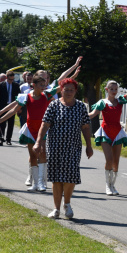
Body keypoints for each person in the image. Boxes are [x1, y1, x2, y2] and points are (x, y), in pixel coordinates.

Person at [0, 58, 81, 191]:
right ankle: (34, 183)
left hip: (43, 128)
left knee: (43, 154)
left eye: (44, 84)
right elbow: (13, 110)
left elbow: (62, 85)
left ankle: (41, 182)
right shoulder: (26, 97)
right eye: (41, 84)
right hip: (30, 129)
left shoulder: (47, 94)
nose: (44, 86)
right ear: (34, 84)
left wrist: (73, 75)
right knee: (33, 155)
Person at [34, 78, 93, 219]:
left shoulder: (80, 107)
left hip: (73, 147)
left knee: (71, 177)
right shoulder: (54, 105)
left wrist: (89, 146)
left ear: (75, 91)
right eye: (66, 89)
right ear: (61, 90)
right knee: (56, 178)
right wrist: (38, 142)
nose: (68, 92)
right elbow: (45, 125)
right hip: (55, 147)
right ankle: (56, 209)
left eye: (71, 90)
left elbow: (85, 127)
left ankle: (67, 203)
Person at [0, 71, 20, 146]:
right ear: (6, 78)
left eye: (12, 79)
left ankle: (8, 139)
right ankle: (0, 138)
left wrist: (19, 108)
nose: (11, 81)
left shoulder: (16, 85)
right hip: (3, 106)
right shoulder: (1, 85)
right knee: (2, 123)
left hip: (12, 106)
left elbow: (18, 97)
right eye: (10, 79)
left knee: (11, 124)